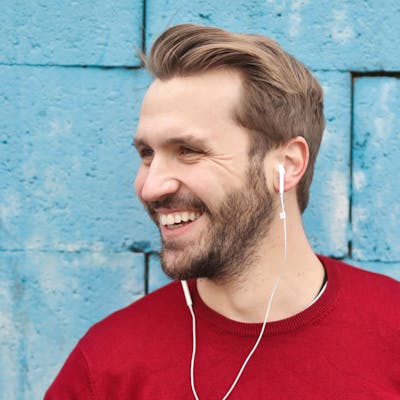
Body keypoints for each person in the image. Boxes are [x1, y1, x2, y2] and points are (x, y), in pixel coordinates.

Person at [45, 24, 399, 399]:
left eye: (188, 151)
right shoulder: (105, 369)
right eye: (147, 154)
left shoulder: (391, 331)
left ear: (287, 164)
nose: (151, 187)